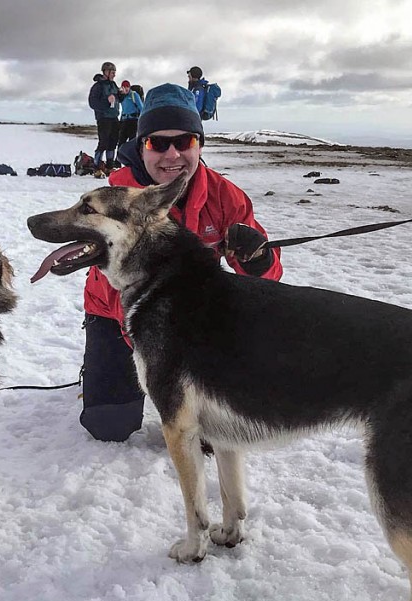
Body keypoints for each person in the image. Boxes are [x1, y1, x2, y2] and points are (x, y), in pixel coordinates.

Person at [80, 83, 284, 442]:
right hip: (117, 318)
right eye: (157, 142)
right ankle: (100, 370)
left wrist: (258, 257)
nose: (171, 154)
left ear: (199, 144)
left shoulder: (225, 196)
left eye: (185, 141)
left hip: (194, 325)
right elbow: (109, 281)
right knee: (107, 426)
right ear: (141, 146)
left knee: (210, 435)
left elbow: (267, 277)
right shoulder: (115, 196)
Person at [88, 61, 125, 177]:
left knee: (113, 143)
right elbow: (92, 103)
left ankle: (109, 167)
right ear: (106, 72)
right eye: (112, 72)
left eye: (115, 72)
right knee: (103, 143)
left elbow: (118, 100)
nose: (114, 75)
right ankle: (97, 167)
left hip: (114, 117)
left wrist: (121, 94)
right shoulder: (97, 86)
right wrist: (106, 101)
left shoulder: (113, 85)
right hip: (103, 118)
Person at [116, 81, 144, 151]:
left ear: (129, 87)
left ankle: (132, 160)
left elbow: (141, 108)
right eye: (124, 87)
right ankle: (118, 160)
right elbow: (124, 110)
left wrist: (142, 120)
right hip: (124, 121)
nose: (126, 89)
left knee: (132, 142)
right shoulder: (122, 97)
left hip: (133, 121)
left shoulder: (134, 95)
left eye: (127, 87)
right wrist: (120, 121)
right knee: (121, 142)